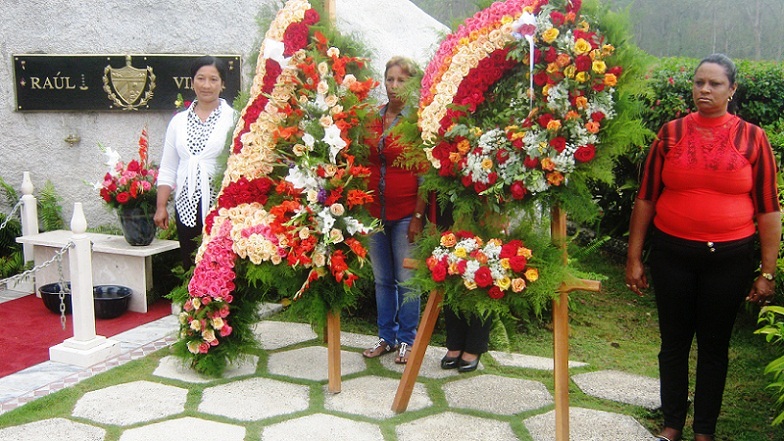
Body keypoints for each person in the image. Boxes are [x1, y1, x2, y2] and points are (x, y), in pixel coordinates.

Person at [625, 54, 781, 441]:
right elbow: (645, 198)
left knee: (714, 347)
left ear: (732, 90)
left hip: (728, 260)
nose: (704, 90)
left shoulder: (753, 138)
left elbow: (768, 207)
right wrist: (634, 256)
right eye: (699, 83)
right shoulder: (671, 133)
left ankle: (705, 431)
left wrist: (767, 271)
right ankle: (672, 424)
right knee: (673, 344)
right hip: (672, 256)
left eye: (714, 84)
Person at [362, 56, 427, 364]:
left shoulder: (417, 124)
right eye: (390, 79)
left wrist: (417, 216)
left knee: (407, 280)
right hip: (374, 213)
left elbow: (427, 176)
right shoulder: (372, 119)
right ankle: (385, 337)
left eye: (401, 80)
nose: (394, 86)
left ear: (411, 84)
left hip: (405, 214)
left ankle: (407, 341)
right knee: (382, 280)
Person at [154, 56, 237, 269]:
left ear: (223, 83)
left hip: (221, 205)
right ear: (192, 82)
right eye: (201, 78)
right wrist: (161, 206)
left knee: (221, 268)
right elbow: (169, 166)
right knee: (191, 264)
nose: (206, 85)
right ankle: (193, 301)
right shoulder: (178, 122)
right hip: (187, 202)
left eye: (213, 79)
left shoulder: (234, 119)